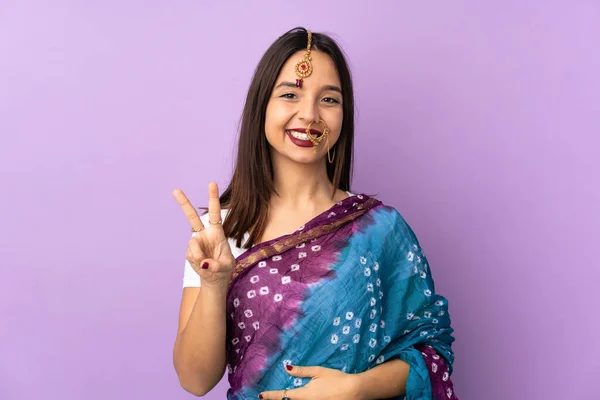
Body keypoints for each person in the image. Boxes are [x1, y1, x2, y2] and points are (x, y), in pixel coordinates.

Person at [172, 27, 458, 400]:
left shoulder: (380, 229)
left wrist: (355, 389)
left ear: (344, 114)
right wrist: (213, 283)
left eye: (329, 100)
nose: (309, 115)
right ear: (262, 106)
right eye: (290, 94)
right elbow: (195, 380)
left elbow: (433, 351)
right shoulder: (220, 232)